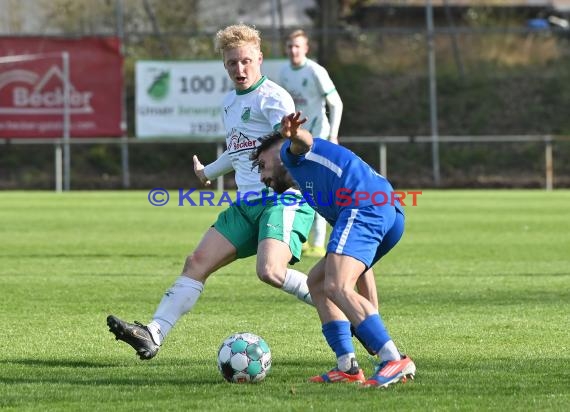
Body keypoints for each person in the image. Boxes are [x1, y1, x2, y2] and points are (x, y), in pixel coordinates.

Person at [107, 24, 376, 361]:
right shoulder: (229, 103)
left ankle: (355, 315)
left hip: (282, 198)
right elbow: (238, 151)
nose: (240, 69)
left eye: (246, 61)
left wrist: (298, 144)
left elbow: (291, 142)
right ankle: (153, 333)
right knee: (196, 262)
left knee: (271, 271)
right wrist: (208, 171)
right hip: (246, 203)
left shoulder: (273, 97)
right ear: (225, 65)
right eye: (232, 63)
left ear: (259, 59)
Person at [250, 112, 415, 388]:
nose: (262, 175)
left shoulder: (292, 156)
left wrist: (292, 134)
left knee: (336, 285)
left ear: (278, 152)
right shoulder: (313, 186)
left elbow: (304, 141)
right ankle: (347, 366)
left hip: (365, 206)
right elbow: (362, 262)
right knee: (317, 282)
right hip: (386, 212)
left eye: (262, 164)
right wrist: (369, 309)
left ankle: (393, 358)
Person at [279, 29, 343, 258]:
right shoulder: (284, 72)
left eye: (298, 46)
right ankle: (304, 238)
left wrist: (333, 135)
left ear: (306, 48)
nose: (293, 50)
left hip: (319, 138)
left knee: (318, 189)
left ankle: (319, 242)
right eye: (290, 46)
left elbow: (336, 103)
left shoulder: (315, 70)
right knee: (299, 189)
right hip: (297, 141)